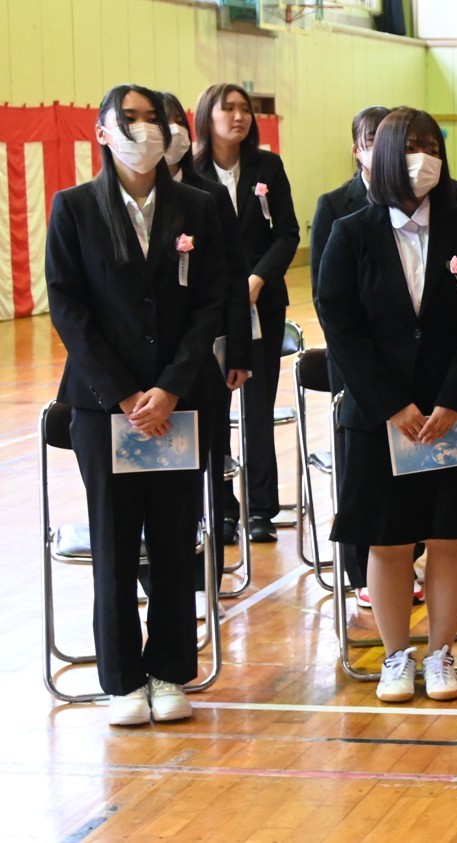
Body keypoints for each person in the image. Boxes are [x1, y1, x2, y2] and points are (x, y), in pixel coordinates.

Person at [316, 107, 457, 703]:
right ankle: (396, 656)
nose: (422, 157)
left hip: (453, 415)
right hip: (382, 419)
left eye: (431, 146)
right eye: (409, 146)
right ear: (381, 156)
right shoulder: (351, 232)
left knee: (451, 535)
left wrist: (453, 399)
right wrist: (390, 404)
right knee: (389, 539)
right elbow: (340, 326)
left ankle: (441, 653)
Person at [46, 84, 227, 725]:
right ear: (102, 132)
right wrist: (124, 394)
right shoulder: (73, 208)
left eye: (153, 119)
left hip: (180, 402)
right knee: (116, 544)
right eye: (128, 119)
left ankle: (170, 669)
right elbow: (68, 308)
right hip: (106, 407)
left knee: (176, 540)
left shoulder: (199, 207)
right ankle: (122, 679)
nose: (144, 130)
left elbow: (211, 302)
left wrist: (171, 386)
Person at [310, 105, 426, 605]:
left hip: (415, 369)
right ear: (358, 149)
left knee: (417, 467)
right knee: (366, 475)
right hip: (361, 369)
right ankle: (363, 570)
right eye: (371, 139)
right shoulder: (337, 207)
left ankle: (410, 559)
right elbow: (330, 299)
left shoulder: (433, 206)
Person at [192, 83, 298, 543]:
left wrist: (256, 281)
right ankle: (222, 509)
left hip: (262, 304)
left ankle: (261, 509)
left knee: (258, 410)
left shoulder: (267, 167)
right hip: (211, 312)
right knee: (214, 413)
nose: (239, 116)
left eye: (245, 109)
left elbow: (287, 233)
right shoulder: (191, 170)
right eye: (228, 108)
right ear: (207, 115)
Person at [159, 91, 251, 608]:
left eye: (174, 120)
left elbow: (232, 280)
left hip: (202, 362)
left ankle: (204, 580)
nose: (168, 131)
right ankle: (156, 579)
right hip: (143, 373)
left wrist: (238, 352)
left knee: (207, 470)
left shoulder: (209, 196)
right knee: (153, 482)